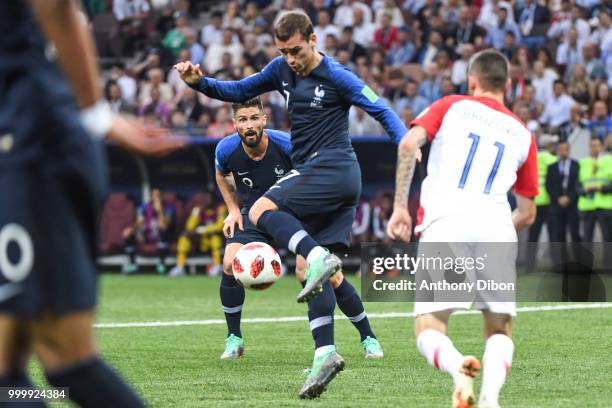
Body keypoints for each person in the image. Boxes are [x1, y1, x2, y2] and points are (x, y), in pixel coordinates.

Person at [175, 10, 408, 399]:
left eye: (296, 50)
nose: (290, 59)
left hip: (331, 169)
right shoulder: (280, 70)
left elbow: (380, 107)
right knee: (310, 275)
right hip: (330, 182)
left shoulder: (336, 76)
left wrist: (406, 140)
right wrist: (200, 83)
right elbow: (237, 90)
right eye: (283, 51)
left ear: (313, 39)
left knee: (262, 210)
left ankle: (317, 257)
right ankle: (326, 354)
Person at [0, 1, 185, 407]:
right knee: (10, 371)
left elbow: (58, 7)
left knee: (65, 358)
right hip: (25, 142)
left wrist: (96, 116)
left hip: (31, 142)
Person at [387, 49, 538, 408]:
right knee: (499, 329)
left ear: (473, 81)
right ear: (509, 84)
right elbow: (528, 212)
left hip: (446, 223)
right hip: (497, 228)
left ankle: (458, 367)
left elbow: (409, 144)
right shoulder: (523, 134)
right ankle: (489, 398)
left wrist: (398, 208)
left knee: (430, 325)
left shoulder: (452, 105)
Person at [215, 97, 383, 361]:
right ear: (234, 124)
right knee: (228, 263)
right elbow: (221, 173)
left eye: (254, 118)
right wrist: (233, 210)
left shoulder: (288, 146)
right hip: (256, 216)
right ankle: (234, 339)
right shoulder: (225, 150)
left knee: (320, 275)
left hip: (298, 216)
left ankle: (368, 337)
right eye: (243, 119)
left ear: (264, 120)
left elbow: (314, 178)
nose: (249, 125)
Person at [123, 188, 175, 275]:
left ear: (162, 196)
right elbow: (139, 222)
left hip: (160, 236)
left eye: (158, 196)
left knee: (163, 232)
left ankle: (161, 264)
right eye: (154, 195)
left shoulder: (168, 207)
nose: (155, 198)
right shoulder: (145, 206)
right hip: (146, 234)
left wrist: (160, 211)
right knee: (128, 234)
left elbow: (165, 225)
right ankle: (132, 264)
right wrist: (137, 232)